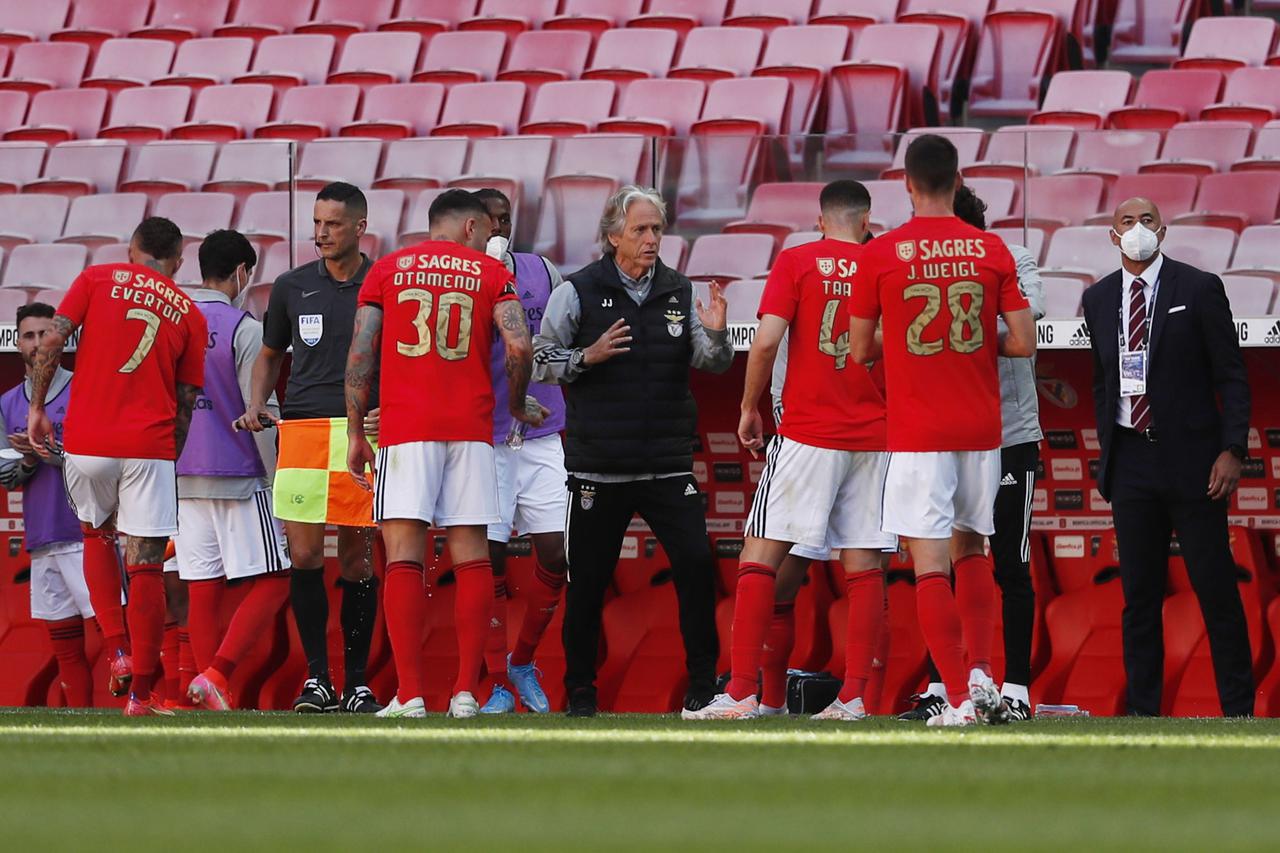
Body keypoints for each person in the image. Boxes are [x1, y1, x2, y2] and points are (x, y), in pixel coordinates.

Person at [685, 180, 895, 721]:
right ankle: (853, 699)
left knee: (759, 558)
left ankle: (740, 693)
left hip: (807, 433)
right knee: (865, 566)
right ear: (867, 220)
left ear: (820, 220)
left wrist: (748, 407)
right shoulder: (885, 263)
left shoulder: (798, 261)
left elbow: (766, 341)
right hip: (875, 434)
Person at [848, 135, 1037, 727]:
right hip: (982, 428)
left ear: (907, 185)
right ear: (957, 182)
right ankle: (981, 677)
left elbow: (858, 350)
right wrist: (977, 346)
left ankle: (956, 699)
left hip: (919, 430)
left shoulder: (881, 254)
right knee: (975, 550)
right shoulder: (992, 249)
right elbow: (1024, 341)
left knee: (931, 564)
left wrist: (906, 345)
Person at [534, 185, 732, 717]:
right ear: (613, 234)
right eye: (641, 230)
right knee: (589, 583)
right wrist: (587, 356)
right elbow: (540, 360)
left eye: (657, 230)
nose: (651, 239)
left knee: (694, 566)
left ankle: (703, 685)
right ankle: (580, 690)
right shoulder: (577, 291)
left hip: (668, 461)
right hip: (600, 465)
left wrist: (715, 335)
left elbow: (711, 363)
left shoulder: (679, 290)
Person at [345, 188, 543, 720]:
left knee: (404, 556)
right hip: (471, 430)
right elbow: (520, 346)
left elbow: (361, 350)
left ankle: (409, 694)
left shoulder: (387, 269)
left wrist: (354, 432)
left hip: (407, 430)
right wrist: (519, 403)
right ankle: (463, 693)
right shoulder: (488, 272)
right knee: (473, 554)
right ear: (474, 229)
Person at [28, 216, 207, 716]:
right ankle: (142, 695)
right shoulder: (189, 312)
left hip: (88, 439)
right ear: (178, 259)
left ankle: (117, 651)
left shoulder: (96, 278)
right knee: (147, 564)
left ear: (132, 249)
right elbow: (187, 397)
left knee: (95, 536)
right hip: (149, 444)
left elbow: (50, 341)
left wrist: (38, 406)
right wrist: (169, 454)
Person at [1081, 197, 1253, 717]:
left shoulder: (1199, 288)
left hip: (1195, 462)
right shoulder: (1097, 298)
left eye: (1147, 220)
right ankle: (1143, 713)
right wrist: (1106, 452)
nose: (1138, 229)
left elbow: (1231, 375)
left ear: (1164, 230)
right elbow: (1101, 382)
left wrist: (1232, 449)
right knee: (1139, 597)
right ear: (1113, 236)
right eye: (1127, 222)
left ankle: (1239, 711)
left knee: (1214, 588)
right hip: (1131, 460)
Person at [899, 185, 1046, 723]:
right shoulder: (916, 263)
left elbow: (1027, 321)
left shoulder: (1012, 257)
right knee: (947, 559)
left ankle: (1017, 690)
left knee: (1009, 562)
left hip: (1008, 434)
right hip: (945, 434)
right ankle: (950, 686)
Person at [236, 182, 383, 714]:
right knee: (302, 555)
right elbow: (271, 354)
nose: (321, 233)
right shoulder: (292, 286)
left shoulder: (382, 281)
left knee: (357, 562)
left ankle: (358, 681)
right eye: (317, 222)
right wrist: (257, 402)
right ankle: (318, 680)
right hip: (300, 429)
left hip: (361, 434)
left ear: (360, 228)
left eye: (333, 224)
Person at [175, 230, 292, 711]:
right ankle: (217, 674)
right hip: (241, 473)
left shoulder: (174, 324)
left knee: (201, 588)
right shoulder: (245, 329)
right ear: (243, 272)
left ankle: (209, 690)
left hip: (181, 476)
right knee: (277, 578)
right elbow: (260, 410)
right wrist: (278, 478)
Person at [473, 187, 569, 716]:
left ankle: (522, 660)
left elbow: (556, 338)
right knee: (487, 561)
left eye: (506, 219)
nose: (499, 228)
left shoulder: (541, 271)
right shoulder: (463, 281)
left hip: (541, 430)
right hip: (486, 435)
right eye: (489, 220)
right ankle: (495, 683)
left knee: (557, 553)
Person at [0, 303, 93, 706]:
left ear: (61, 339)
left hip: (86, 531)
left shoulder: (85, 387)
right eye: (29, 335)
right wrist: (27, 459)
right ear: (17, 343)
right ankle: (85, 722)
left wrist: (49, 452)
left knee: (113, 631)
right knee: (65, 644)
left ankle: (140, 705)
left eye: (44, 334)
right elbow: (6, 478)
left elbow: (100, 462)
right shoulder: (7, 403)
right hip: (41, 535)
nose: (37, 343)